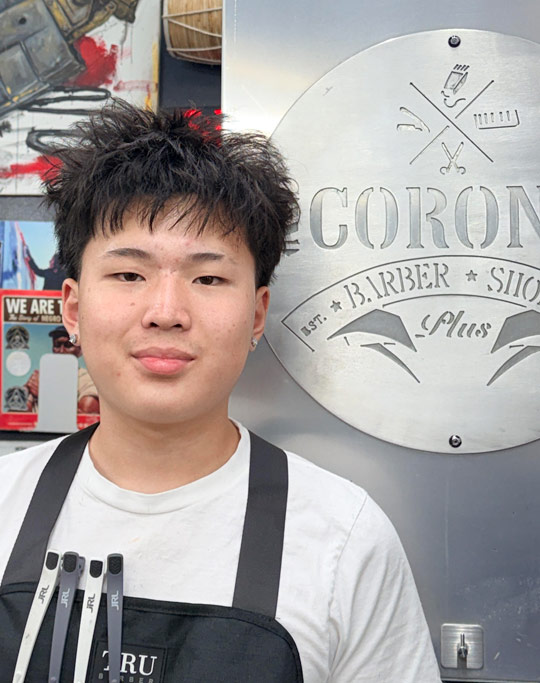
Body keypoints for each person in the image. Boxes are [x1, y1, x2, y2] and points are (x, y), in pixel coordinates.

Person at [0, 101, 441, 682]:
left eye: (208, 277)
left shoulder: (343, 538)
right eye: (129, 274)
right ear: (74, 310)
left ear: (257, 315)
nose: (166, 312)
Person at [23, 325, 99, 414]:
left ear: (80, 350)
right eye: (57, 345)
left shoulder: (88, 379)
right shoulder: (41, 377)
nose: (62, 351)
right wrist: (25, 390)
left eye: (68, 345)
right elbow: (20, 413)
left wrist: (46, 394)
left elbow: (85, 414)